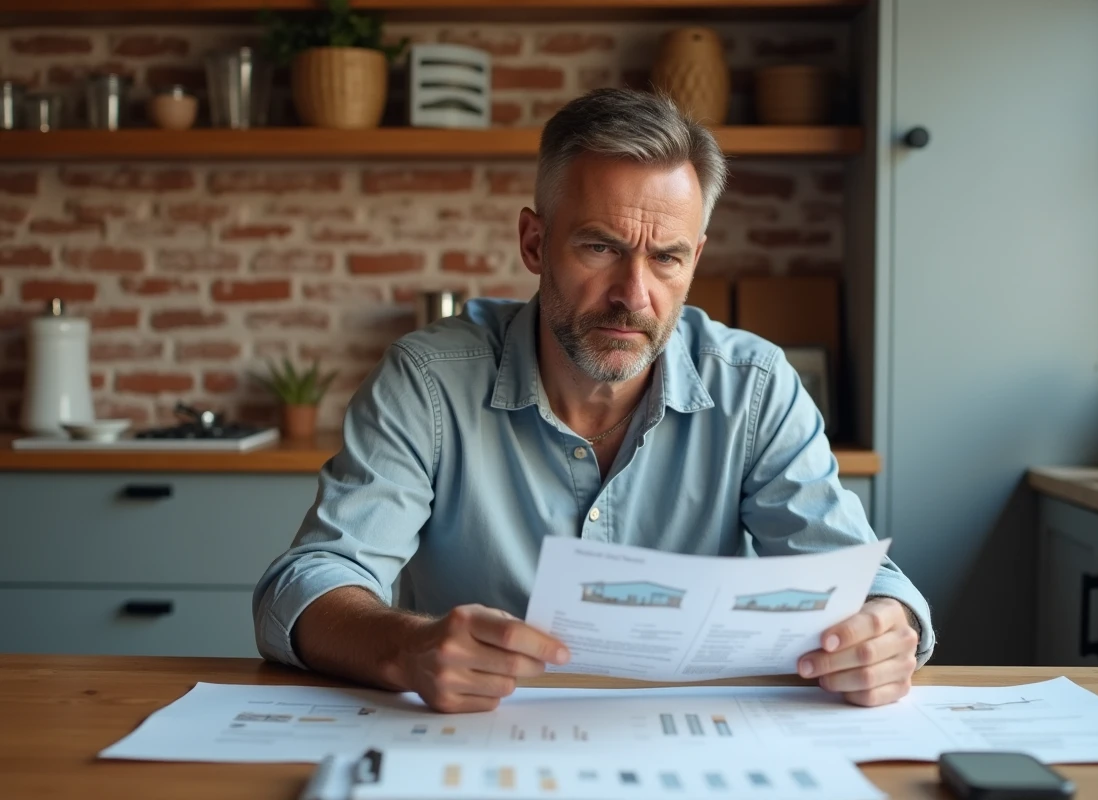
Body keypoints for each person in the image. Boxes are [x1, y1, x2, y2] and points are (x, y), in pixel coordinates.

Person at [253, 88, 935, 714]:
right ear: (534, 241)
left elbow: (869, 583)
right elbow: (306, 583)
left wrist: (886, 629)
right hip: (476, 748)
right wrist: (406, 648)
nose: (633, 296)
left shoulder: (754, 386)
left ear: (694, 258)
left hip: (696, 748)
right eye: (600, 247)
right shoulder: (428, 382)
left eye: (666, 258)